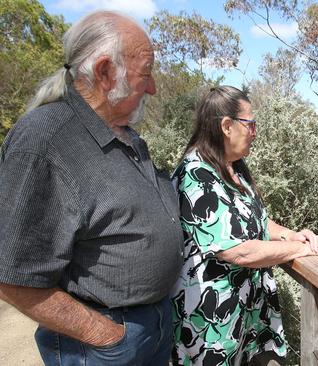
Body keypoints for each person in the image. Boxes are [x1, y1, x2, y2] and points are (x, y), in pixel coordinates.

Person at [0, 10, 183, 366]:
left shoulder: (126, 135)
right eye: (145, 74)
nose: (153, 88)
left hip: (154, 328)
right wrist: (107, 336)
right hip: (104, 343)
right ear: (104, 72)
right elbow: (13, 275)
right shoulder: (45, 140)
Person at [171, 86, 318, 366]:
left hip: (242, 320)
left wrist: (291, 235)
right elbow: (237, 250)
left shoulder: (233, 167)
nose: (255, 132)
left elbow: (253, 220)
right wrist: (300, 250)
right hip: (209, 327)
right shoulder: (196, 175)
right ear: (227, 126)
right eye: (251, 124)